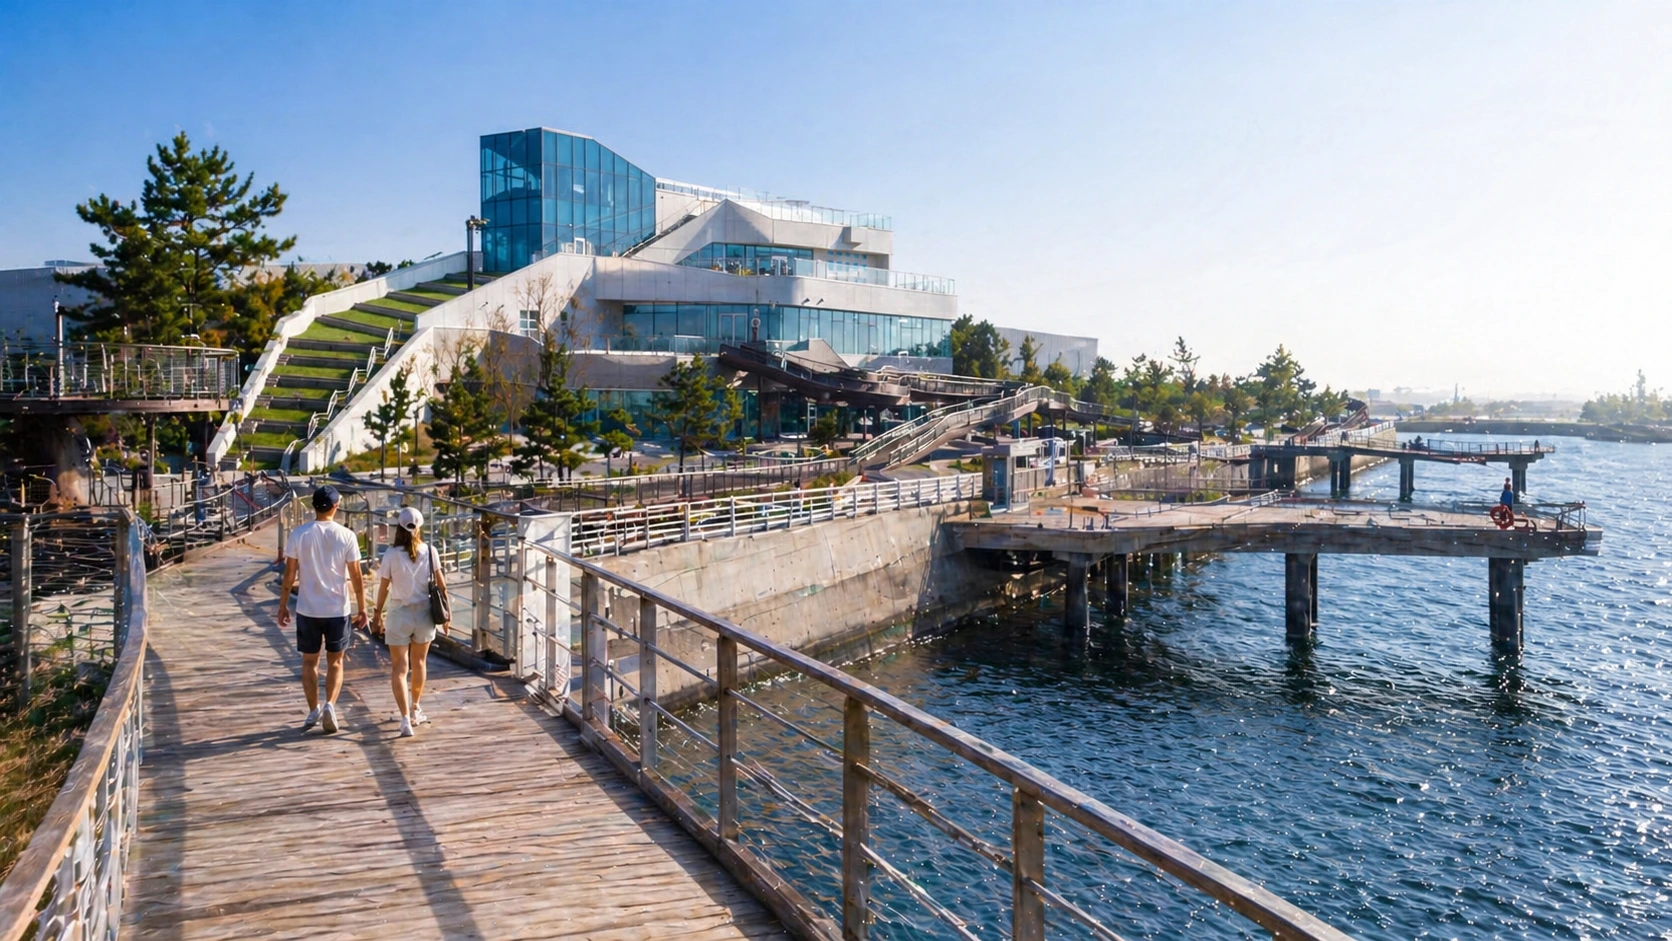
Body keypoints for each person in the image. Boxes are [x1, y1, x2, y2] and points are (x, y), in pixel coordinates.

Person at [277, 485, 367, 733]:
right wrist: (363, 608)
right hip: (338, 609)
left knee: (309, 662)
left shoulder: (299, 534)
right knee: (336, 662)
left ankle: (313, 709)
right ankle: (330, 704)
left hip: (308, 609)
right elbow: (356, 575)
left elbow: (289, 574)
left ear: (314, 506)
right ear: (336, 506)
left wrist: (283, 605)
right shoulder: (346, 536)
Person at [370, 506, 448, 738]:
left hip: (398, 614)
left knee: (399, 668)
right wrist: (448, 614)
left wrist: (377, 615)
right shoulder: (430, 551)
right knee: (420, 664)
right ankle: (415, 709)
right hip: (424, 614)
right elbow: (442, 585)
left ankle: (405, 720)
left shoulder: (391, 555)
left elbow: (383, 587)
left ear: (399, 528)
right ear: (420, 527)